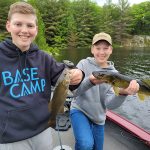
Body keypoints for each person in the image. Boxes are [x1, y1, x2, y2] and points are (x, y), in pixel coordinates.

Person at [0, 2, 84, 150]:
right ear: (8, 26)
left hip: (43, 130)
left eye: (30, 25)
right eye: (18, 24)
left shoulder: (44, 58)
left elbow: (65, 76)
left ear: (36, 30)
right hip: (10, 137)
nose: (24, 30)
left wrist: (79, 74)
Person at [70, 32, 139, 150]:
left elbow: (110, 104)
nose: (101, 52)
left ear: (111, 50)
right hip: (79, 110)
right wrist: (90, 81)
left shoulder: (115, 74)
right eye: (98, 48)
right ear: (92, 49)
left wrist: (123, 93)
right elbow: (74, 92)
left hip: (99, 117)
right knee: (85, 144)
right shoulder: (83, 64)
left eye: (105, 48)